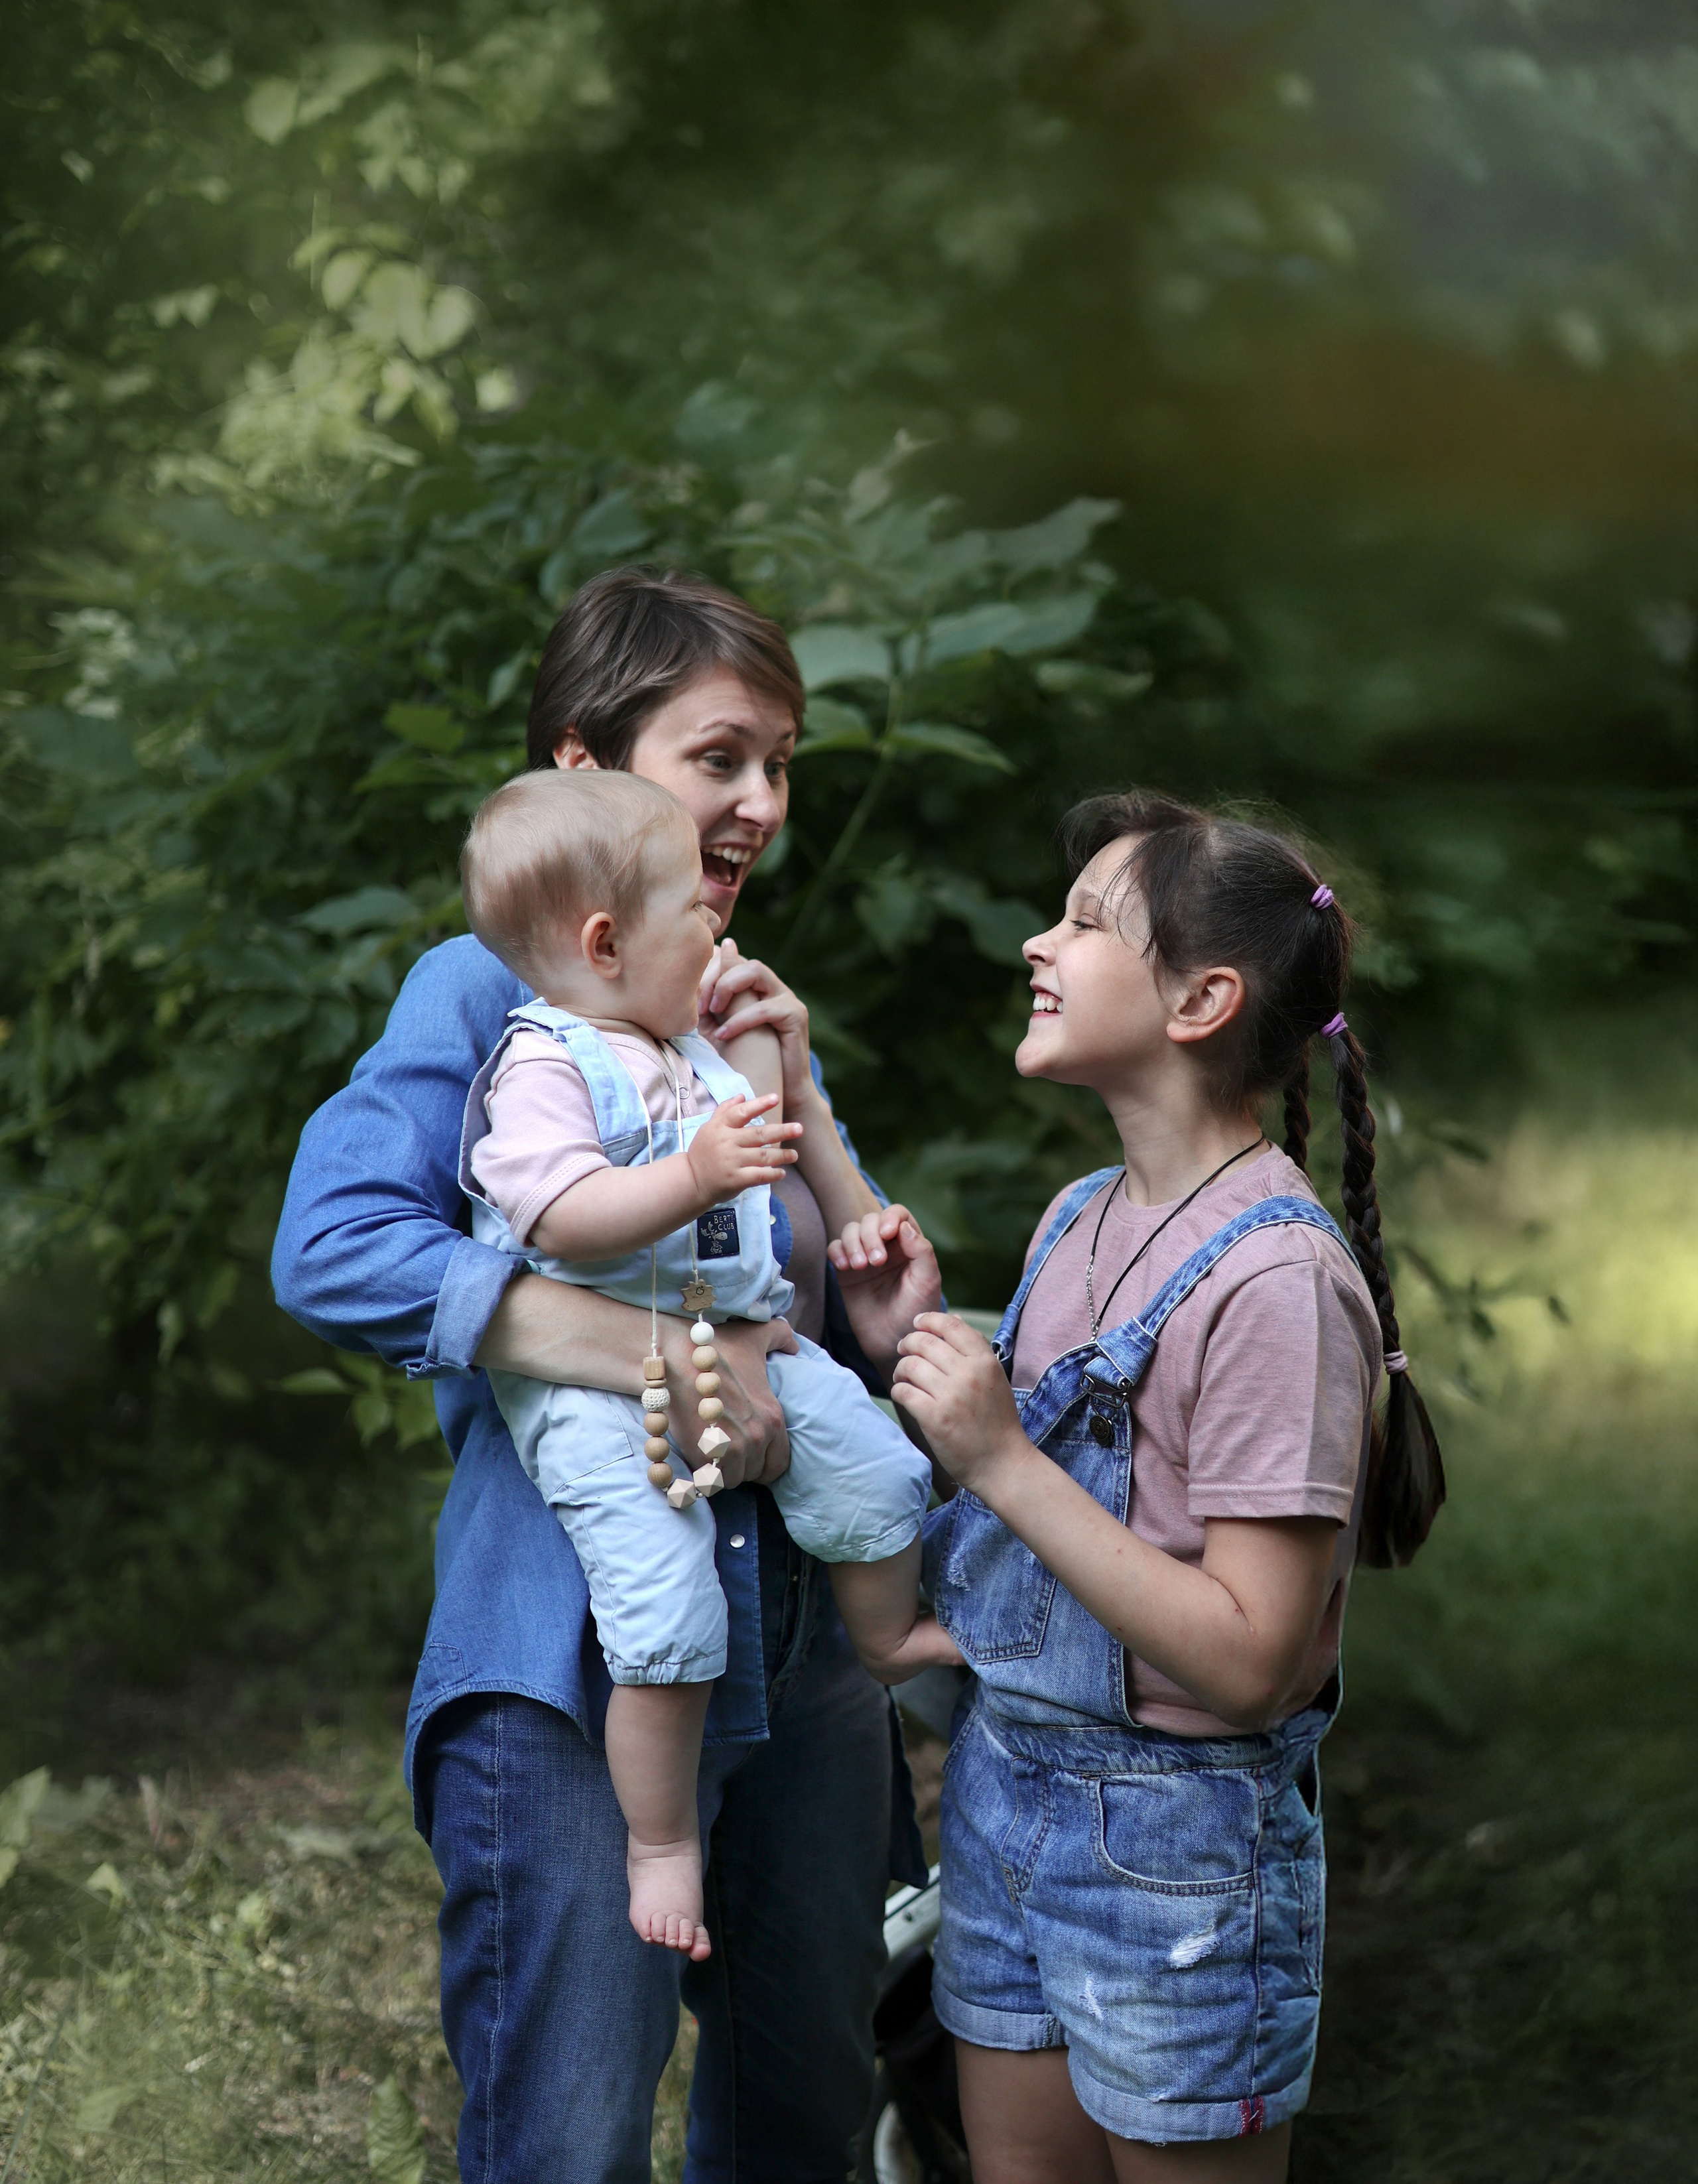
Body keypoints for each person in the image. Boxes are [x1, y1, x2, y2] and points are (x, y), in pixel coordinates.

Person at [271, 569, 945, 2184]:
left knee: (802, 2117)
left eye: (780, 764)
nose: (760, 803)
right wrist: (647, 1354)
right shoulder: (484, 991)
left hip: (803, 1659)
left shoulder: (727, 1012)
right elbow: (331, 1246)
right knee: (568, 2137)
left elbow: (808, 1318)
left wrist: (855, 1224)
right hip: (576, 1654)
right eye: (720, 757)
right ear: (581, 766)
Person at [880, 791, 1445, 2184]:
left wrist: (999, 1458)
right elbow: (1052, 1523)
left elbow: (1251, 1662)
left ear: (1199, 998)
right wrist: (921, 1331)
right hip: (1005, 1788)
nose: (1036, 942)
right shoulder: (1081, 1215)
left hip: (1178, 1849)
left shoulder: (1273, 1286)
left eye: (1083, 923)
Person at [457, 768, 948, 1960]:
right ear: (606, 940)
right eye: (696, 912)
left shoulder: (688, 1039)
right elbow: (561, 1214)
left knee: (881, 1470)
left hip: (758, 1339)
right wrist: (691, 1174)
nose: (719, 926)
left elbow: (776, 1143)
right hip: (598, 1390)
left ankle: (887, 1641)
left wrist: (772, 1052)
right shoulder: (546, 1063)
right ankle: (659, 1839)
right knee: (667, 1616)